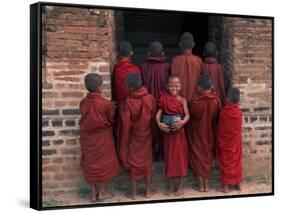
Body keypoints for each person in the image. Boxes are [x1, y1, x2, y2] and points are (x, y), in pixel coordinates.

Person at [79, 73, 121, 202]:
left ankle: (93, 194)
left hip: (87, 137)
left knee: (90, 163)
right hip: (103, 137)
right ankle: (102, 192)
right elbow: (111, 119)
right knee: (103, 163)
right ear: (99, 87)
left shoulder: (83, 102)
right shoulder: (106, 104)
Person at [118, 73, 156, 200]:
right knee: (147, 162)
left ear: (131, 88)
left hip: (134, 136)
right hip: (147, 134)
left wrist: (123, 141)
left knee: (134, 163)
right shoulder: (150, 98)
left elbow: (126, 124)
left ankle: (133, 194)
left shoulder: (128, 102)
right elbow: (154, 118)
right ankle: (148, 191)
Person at [156, 75, 189, 196]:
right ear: (167, 86)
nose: (173, 88)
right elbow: (158, 113)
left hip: (179, 134)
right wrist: (159, 123)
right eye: (171, 86)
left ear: (180, 86)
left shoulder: (182, 100)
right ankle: (170, 186)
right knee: (169, 159)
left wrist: (183, 122)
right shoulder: (164, 98)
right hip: (168, 134)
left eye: (176, 85)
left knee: (180, 159)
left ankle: (180, 186)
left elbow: (187, 115)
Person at [187, 74, 221, 192]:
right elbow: (217, 117)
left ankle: (201, 185)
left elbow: (189, 116)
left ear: (199, 88)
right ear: (212, 86)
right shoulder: (216, 101)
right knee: (207, 156)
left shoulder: (194, 101)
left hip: (196, 132)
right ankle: (207, 184)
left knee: (198, 156)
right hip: (209, 132)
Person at [140, 41, 170, 161]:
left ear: (147, 53)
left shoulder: (143, 67)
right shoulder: (167, 66)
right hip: (164, 104)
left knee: (149, 129)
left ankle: (151, 156)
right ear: (163, 53)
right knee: (164, 129)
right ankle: (162, 155)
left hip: (148, 103)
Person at [216, 87, 243, 193]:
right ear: (238, 100)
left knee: (226, 163)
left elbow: (221, 128)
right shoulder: (239, 113)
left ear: (227, 99)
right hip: (235, 143)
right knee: (236, 162)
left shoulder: (223, 112)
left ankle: (226, 187)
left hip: (225, 143)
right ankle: (238, 184)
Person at [171, 32, 203, 102]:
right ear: (193, 44)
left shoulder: (175, 61)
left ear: (180, 44)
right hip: (195, 101)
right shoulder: (198, 60)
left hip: (178, 101)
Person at [202, 42, 226, 106]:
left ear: (204, 53)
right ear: (216, 53)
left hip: (203, 103)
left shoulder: (201, 67)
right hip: (218, 102)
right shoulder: (221, 68)